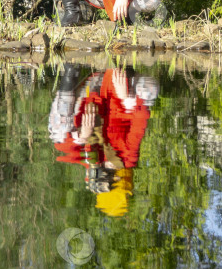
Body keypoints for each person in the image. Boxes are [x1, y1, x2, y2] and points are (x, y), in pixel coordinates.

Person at [48, 64, 158, 217]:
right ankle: (124, 64)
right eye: (112, 175)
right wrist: (126, 99)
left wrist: (81, 137)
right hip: (115, 86)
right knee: (149, 90)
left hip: (92, 89)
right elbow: (141, 119)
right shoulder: (127, 156)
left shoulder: (92, 163)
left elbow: (62, 148)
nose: (109, 170)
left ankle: (71, 70)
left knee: (58, 134)